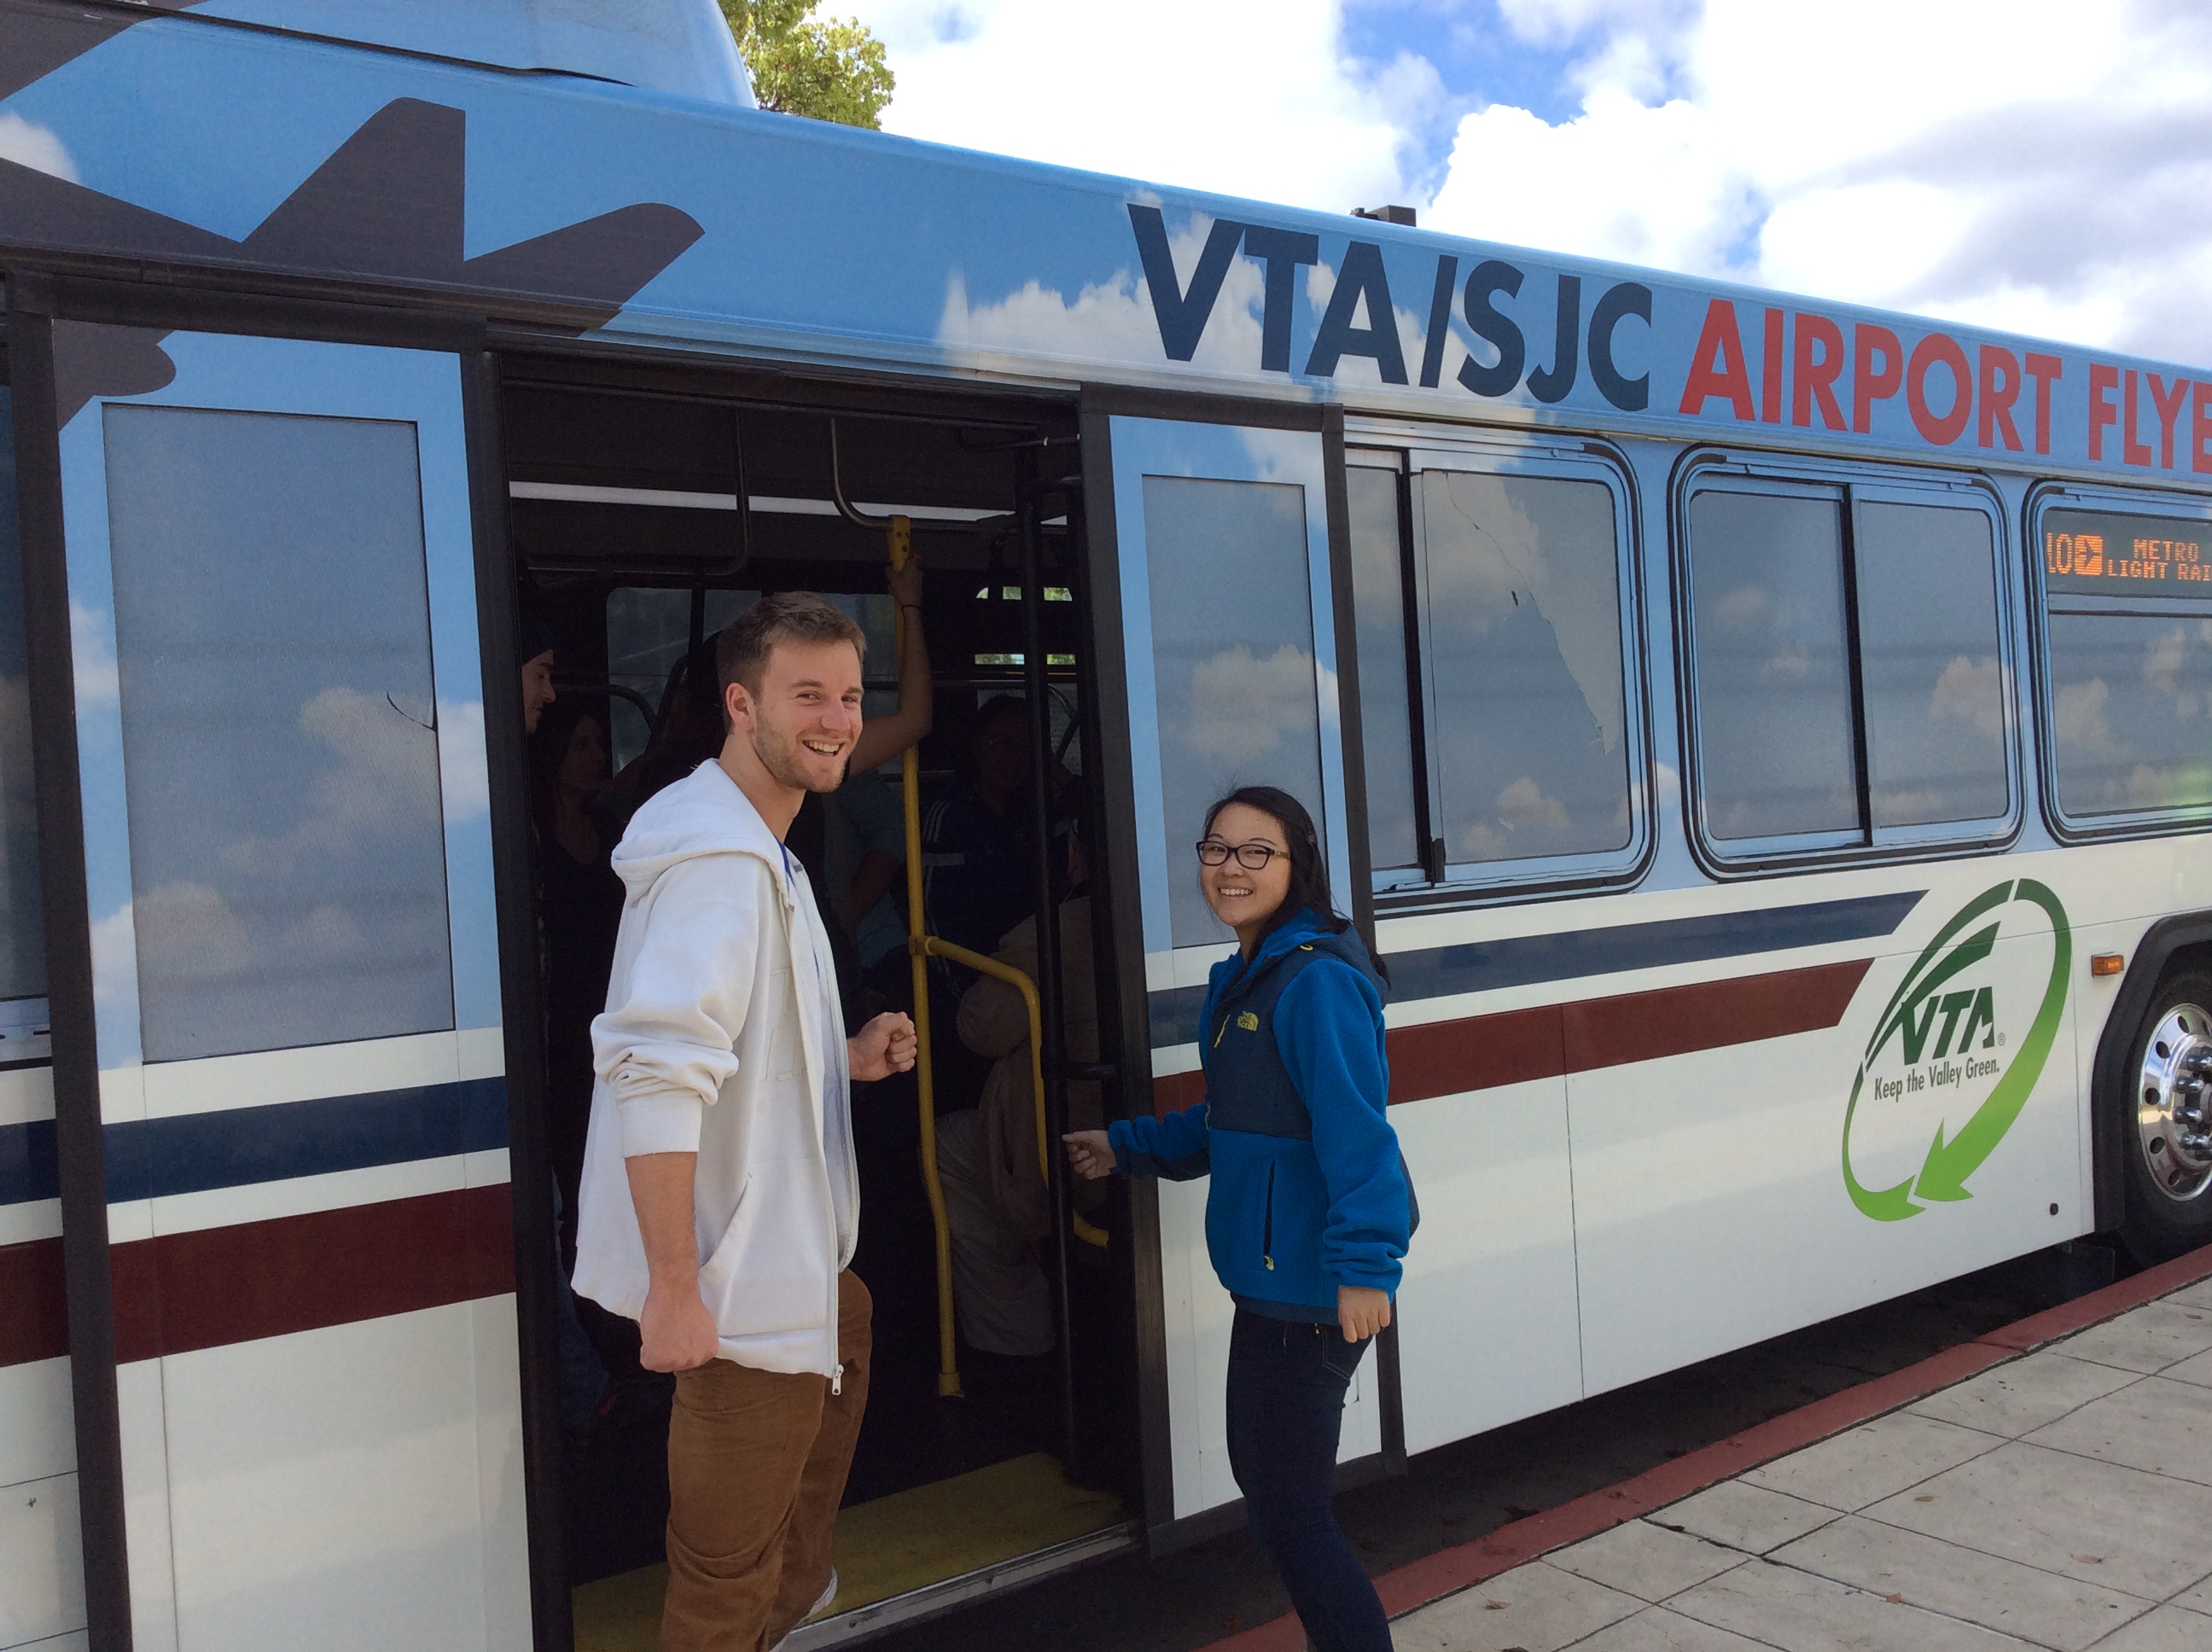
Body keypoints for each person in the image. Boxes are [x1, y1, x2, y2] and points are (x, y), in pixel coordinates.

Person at [573, 591, 918, 1652]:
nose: (836, 718)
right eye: (805, 693)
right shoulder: (724, 867)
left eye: (851, 696)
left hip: (784, 1280)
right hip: (737, 1304)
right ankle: (773, 1594)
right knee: (719, 1588)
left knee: (850, 1319)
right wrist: (676, 1290)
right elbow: (657, 1072)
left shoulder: (762, 848)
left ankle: (794, 1581)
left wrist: (842, 1058)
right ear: (740, 703)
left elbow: (729, 1042)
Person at [1063, 785, 1412, 1652]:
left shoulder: (1316, 982)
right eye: (1216, 848)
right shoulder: (1251, 975)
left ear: (1296, 867)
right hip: (1269, 1288)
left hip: (1313, 1294)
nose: (1230, 867)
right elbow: (1231, 1122)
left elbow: (1359, 1134)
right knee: (1274, 1505)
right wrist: (1125, 1146)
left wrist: (1367, 1266)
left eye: (1258, 851)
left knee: (1294, 1520)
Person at [938, 835, 1103, 1357]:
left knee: (944, 1144)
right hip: (1147, 1143)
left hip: (1070, 1158)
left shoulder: (1051, 935)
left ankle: (1015, 1343)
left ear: (1074, 854)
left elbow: (979, 1030)